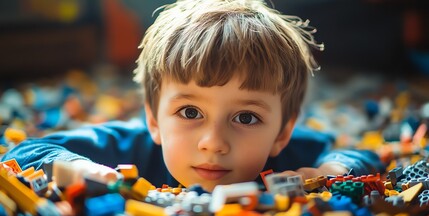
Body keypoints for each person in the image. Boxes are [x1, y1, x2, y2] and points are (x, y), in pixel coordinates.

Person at [1, 0, 384, 191]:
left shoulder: (290, 152)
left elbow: (355, 154)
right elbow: (26, 153)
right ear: (154, 120)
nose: (213, 143)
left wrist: (329, 172)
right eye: (189, 112)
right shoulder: (128, 147)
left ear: (281, 133)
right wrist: (85, 171)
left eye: (246, 118)